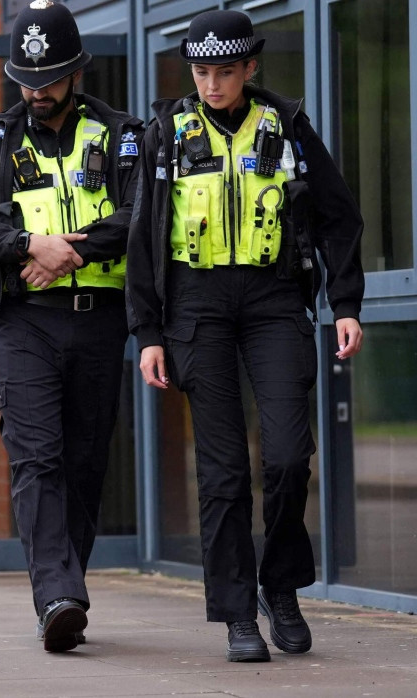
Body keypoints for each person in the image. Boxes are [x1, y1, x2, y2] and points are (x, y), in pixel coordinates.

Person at [127, 10, 365, 662]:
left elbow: (338, 215)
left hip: (273, 300)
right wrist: (147, 330)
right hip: (197, 308)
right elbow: (144, 239)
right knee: (224, 472)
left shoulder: (284, 123)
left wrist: (345, 301)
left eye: (224, 72)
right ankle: (237, 614)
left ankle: (279, 585)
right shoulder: (167, 133)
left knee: (288, 457)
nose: (211, 84)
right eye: (201, 72)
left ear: (249, 68)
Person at [0, 0, 144, 653]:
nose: (36, 92)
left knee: (85, 463)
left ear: (77, 73)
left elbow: (140, 217)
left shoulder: (121, 135)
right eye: (26, 81)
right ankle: (56, 596)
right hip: (24, 322)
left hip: (98, 318)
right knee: (36, 458)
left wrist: (75, 250)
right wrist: (31, 244)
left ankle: (65, 588)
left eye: (50, 80)